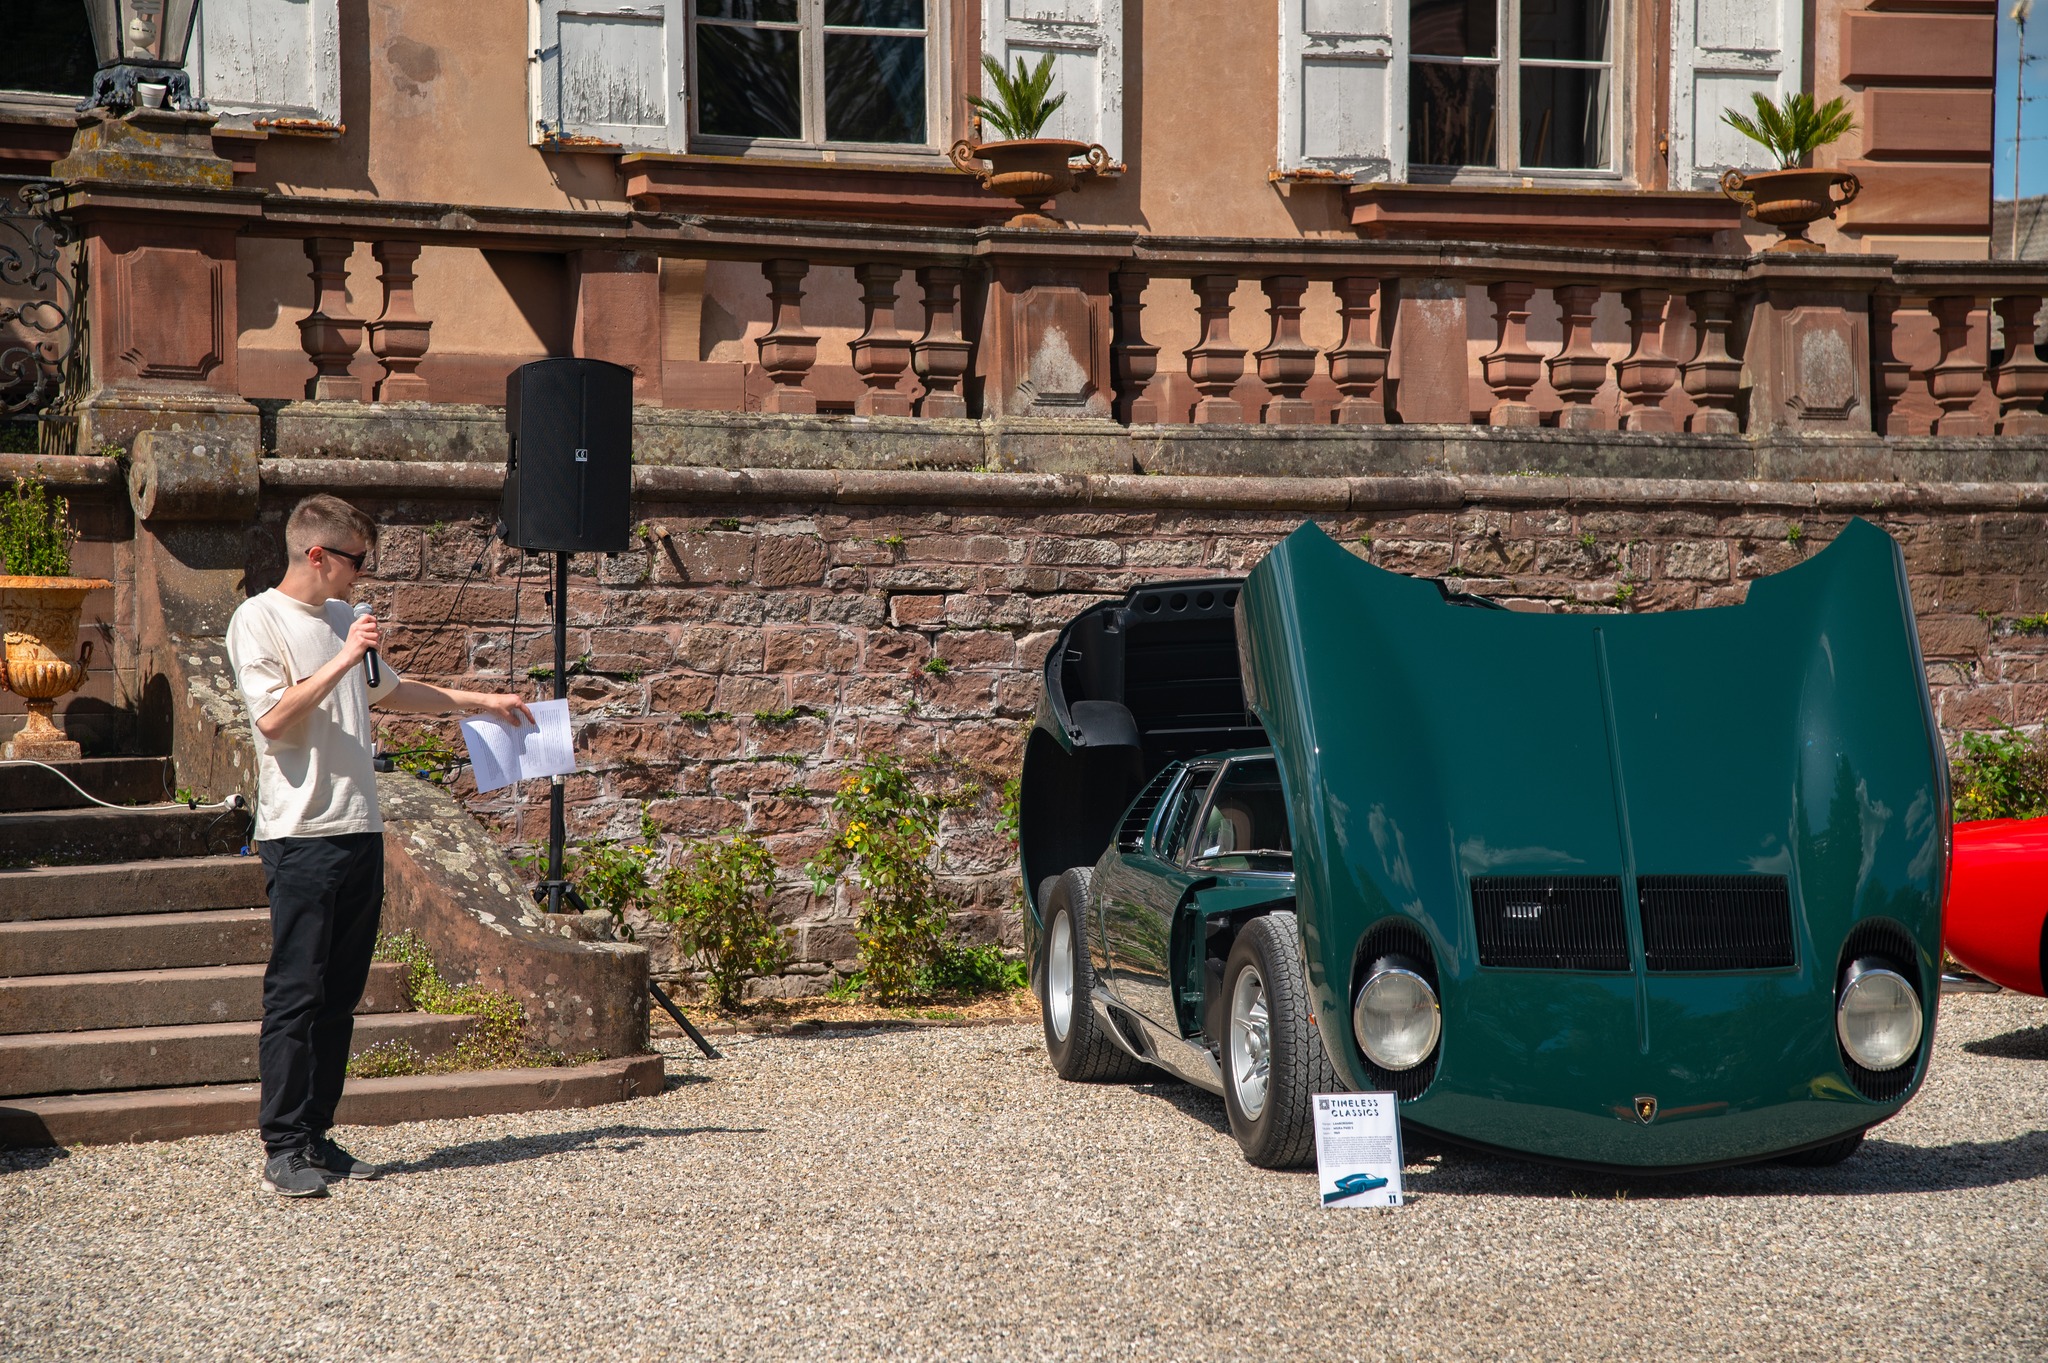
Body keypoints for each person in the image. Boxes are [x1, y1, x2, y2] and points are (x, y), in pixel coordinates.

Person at [226, 495, 533, 1198]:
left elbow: (388, 693)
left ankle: (317, 1134)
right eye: (355, 561)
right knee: (296, 993)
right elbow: (274, 720)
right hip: (301, 834)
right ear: (317, 556)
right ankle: (282, 1143)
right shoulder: (259, 620)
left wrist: (476, 701)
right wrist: (343, 658)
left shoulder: (339, 621)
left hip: (359, 828)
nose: (362, 577)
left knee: (341, 994)